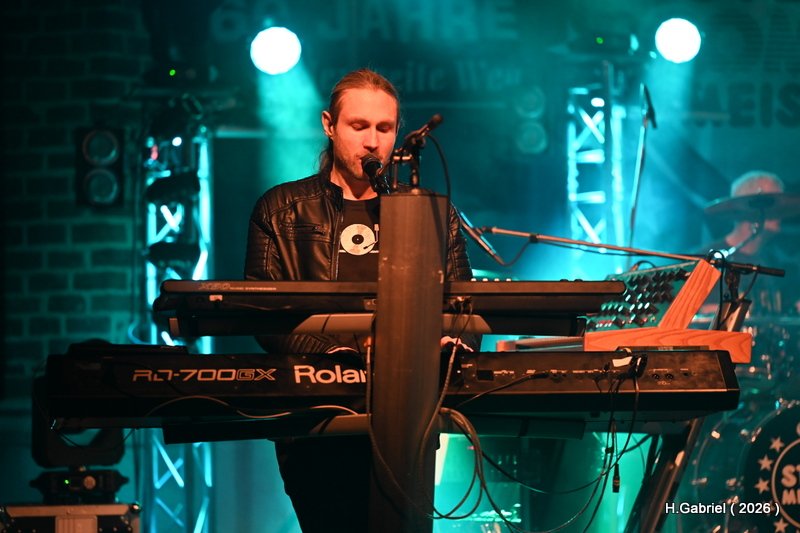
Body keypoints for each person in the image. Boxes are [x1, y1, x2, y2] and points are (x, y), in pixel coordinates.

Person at [244, 68, 476, 532]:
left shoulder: (432, 214)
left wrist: (444, 346)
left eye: (384, 128)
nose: (372, 142)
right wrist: (341, 355)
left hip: (408, 415)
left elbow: (462, 309)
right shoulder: (280, 208)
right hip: (317, 417)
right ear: (329, 125)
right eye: (359, 126)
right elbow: (266, 317)